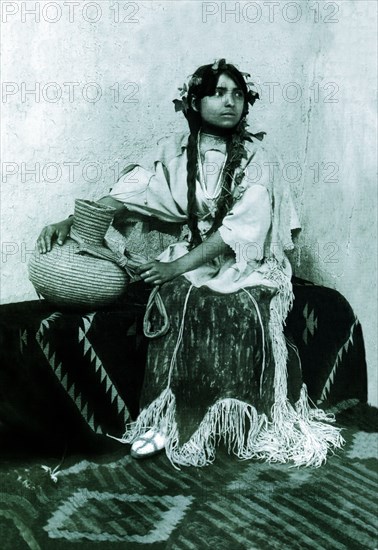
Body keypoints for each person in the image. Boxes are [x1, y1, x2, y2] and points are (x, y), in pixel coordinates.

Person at [37, 59, 343, 468]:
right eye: (217, 93)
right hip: (195, 254)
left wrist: (175, 268)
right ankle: (170, 418)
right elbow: (131, 195)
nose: (229, 102)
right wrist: (71, 221)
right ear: (194, 103)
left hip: (245, 261)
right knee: (175, 297)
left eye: (237, 94)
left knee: (227, 304)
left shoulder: (257, 157)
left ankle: (239, 418)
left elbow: (241, 230)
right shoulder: (175, 152)